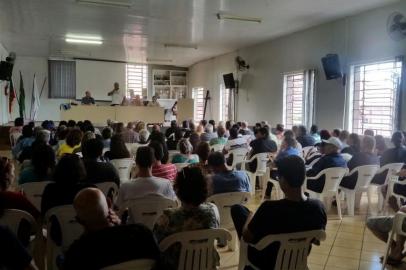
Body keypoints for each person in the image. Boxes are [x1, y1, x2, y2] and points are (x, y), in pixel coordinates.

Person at [231, 156, 327, 270]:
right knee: (240, 210)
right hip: (297, 258)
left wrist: (250, 217)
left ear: (284, 181)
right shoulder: (318, 207)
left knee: (238, 210)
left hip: (265, 261)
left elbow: (247, 237)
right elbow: (316, 240)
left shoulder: (269, 208)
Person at [63, 188, 160, 270]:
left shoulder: (77, 254)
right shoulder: (143, 235)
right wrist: (120, 226)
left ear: (79, 220)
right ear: (109, 203)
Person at [153, 167, 220, 270]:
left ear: (177, 190)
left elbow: (156, 246)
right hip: (206, 265)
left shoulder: (167, 218)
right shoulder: (213, 210)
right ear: (205, 189)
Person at [116, 147, 176, 211]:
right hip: (159, 220)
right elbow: (174, 204)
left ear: (136, 162)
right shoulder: (166, 184)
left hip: (133, 220)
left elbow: (118, 208)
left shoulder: (125, 186)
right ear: (153, 162)